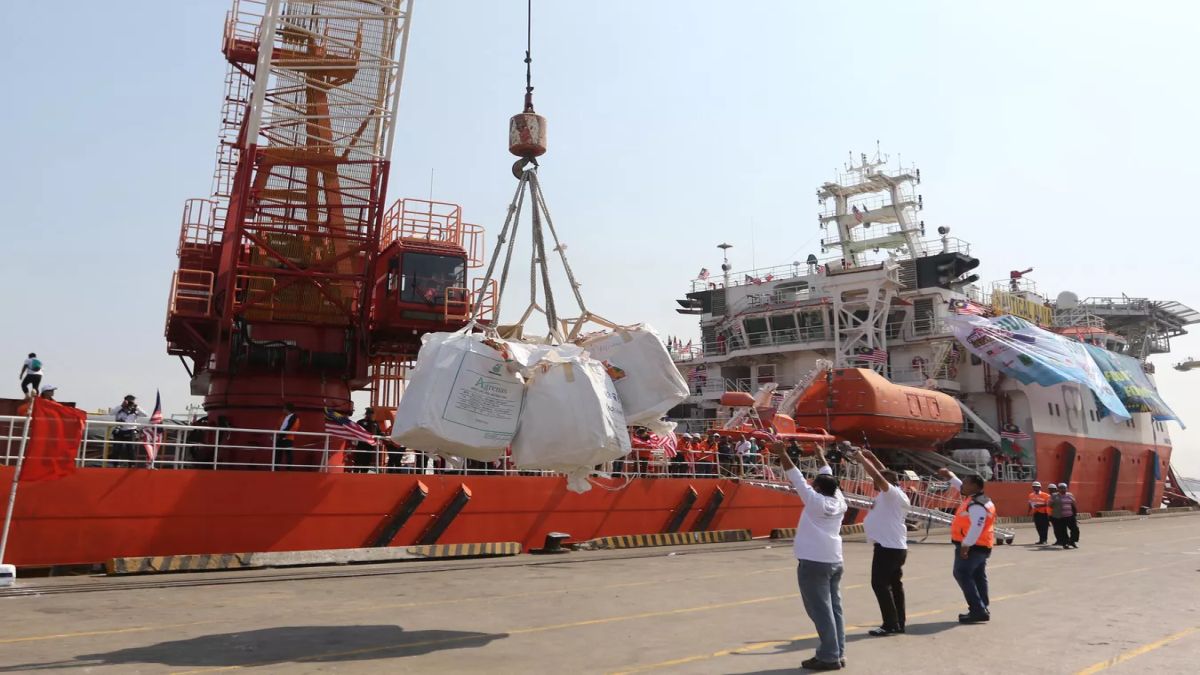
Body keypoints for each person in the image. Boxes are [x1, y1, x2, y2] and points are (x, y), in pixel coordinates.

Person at [777, 442, 848, 670]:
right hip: (835, 560)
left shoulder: (815, 501)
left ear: (816, 488)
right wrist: (820, 456)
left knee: (820, 610)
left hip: (813, 562)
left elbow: (795, 476)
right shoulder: (839, 499)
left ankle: (828, 656)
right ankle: (838, 652)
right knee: (834, 608)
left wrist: (781, 453)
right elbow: (826, 474)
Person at [859, 447, 911, 636]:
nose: (874, 482)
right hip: (893, 546)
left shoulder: (892, 494)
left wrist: (861, 459)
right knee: (894, 585)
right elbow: (883, 474)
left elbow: (879, 477)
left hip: (888, 548)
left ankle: (890, 624)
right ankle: (898, 622)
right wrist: (872, 456)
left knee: (879, 584)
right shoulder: (895, 493)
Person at [937, 468, 996, 623]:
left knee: (962, 573)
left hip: (973, 546)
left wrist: (966, 545)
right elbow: (959, 486)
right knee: (978, 576)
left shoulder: (976, 504)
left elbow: (977, 525)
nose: (962, 485)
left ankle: (977, 609)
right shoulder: (979, 499)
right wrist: (950, 475)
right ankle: (982, 606)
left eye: (966, 483)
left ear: (975, 486)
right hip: (982, 545)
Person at [111, 395, 144, 467]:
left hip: (131, 430)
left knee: (131, 448)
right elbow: (111, 413)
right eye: (129, 401)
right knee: (116, 448)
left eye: (132, 401)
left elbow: (145, 414)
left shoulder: (135, 409)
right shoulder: (119, 408)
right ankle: (115, 464)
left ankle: (132, 465)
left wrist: (136, 407)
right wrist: (122, 406)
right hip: (120, 430)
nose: (130, 403)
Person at [353, 407, 382, 473]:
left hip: (370, 445)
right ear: (366, 414)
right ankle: (355, 474)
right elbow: (356, 431)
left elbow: (378, 432)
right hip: (361, 445)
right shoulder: (361, 422)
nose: (371, 415)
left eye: (372, 414)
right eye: (369, 413)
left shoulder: (375, 423)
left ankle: (364, 474)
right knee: (358, 460)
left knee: (367, 461)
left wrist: (383, 435)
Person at [277, 403, 300, 470]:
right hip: (281, 437)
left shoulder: (294, 417)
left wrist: (281, 435)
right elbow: (280, 426)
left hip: (288, 438)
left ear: (287, 409)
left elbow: (290, 427)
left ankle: (289, 468)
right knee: (278, 452)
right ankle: (276, 466)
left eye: (284, 408)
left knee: (288, 453)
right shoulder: (284, 417)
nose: (283, 410)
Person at [1058, 482, 1080, 548]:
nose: (1063, 489)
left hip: (1070, 516)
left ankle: (1072, 541)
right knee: (1063, 531)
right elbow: (1050, 505)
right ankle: (1065, 544)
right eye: (1061, 488)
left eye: (1064, 488)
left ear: (1066, 489)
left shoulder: (1070, 495)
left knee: (1075, 529)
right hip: (1061, 517)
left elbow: (1073, 504)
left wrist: (1075, 514)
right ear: (1058, 489)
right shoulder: (1055, 496)